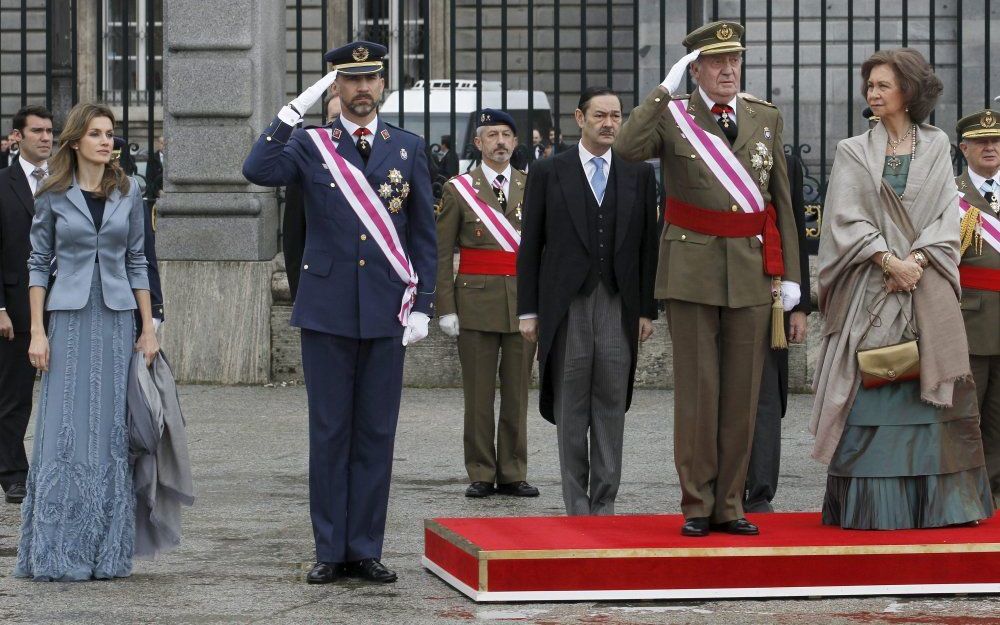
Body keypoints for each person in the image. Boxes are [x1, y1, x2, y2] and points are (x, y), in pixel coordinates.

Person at [242, 41, 436, 585]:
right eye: (350, 80)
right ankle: (330, 548)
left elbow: (421, 235)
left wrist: (422, 304)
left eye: (371, 78)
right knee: (329, 433)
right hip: (327, 311)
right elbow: (256, 168)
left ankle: (365, 548)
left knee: (376, 433)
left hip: (384, 310)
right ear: (335, 88)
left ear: (383, 85)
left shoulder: (407, 148)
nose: (362, 89)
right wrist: (290, 112)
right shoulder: (311, 146)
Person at [617, 21, 801, 537]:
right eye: (716, 62)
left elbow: (780, 202)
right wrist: (662, 90)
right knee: (698, 392)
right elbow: (627, 148)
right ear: (694, 68)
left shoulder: (764, 116)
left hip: (749, 266)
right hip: (691, 268)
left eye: (734, 60)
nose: (728, 69)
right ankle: (697, 503)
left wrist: (791, 280)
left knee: (743, 394)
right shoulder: (673, 116)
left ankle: (730, 502)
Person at [812, 48, 993, 529]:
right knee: (872, 390)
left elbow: (944, 217)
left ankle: (942, 508)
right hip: (871, 286)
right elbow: (843, 218)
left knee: (931, 398)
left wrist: (914, 261)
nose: (873, 93)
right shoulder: (853, 150)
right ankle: (873, 511)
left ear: (908, 92)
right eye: (869, 85)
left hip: (926, 283)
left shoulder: (937, 146)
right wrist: (885, 258)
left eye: (883, 85)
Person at [15, 102, 159, 580]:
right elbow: (37, 263)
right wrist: (37, 330)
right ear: (75, 142)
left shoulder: (129, 192)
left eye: (110, 133)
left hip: (117, 322)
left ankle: (107, 552)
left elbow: (138, 261)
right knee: (62, 432)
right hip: (68, 324)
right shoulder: (53, 194)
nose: (105, 141)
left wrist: (149, 327)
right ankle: (56, 552)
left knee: (109, 435)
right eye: (95, 133)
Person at [517, 87, 658, 516]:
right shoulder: (548, 171)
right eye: (600, 115)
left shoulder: (638, 174)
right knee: (571, 406)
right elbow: (531, 245)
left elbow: (649, 248)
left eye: (616, 116)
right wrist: (529, 311)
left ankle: (605, 505)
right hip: (568, 306)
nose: (609, 123)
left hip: (618, 304)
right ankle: (576, 504)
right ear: (580, 118)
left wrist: (648, 309)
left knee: (612, 405)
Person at [436, 109, 537, 499]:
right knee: (478, 395)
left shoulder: (533, 185)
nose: (500, 142)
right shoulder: (458, 188)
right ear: (478, 143)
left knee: (516, 393)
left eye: (506, 135)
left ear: (515, 143)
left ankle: (513, 471)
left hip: (522, 305)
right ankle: (480, 470)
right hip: (474, 304)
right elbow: (442, 253)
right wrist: (445, 307)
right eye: (491, 135)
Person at [743, 152, 812, 513]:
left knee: (766, 397)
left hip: (771, 294)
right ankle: (721, 487)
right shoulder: (698, 148)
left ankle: (759, 491)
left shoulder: (780, 160)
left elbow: (793, 229)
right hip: (717, 291)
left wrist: (800, 304)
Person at [0, 105, 53, 505]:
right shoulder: (3, 184)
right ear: (17, 136)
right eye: (36, 131)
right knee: (15, 396)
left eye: (50, 131)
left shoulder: (64, 182)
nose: (46, 138)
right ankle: (14, 474)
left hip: (63, 302)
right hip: (15, 305)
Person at [955, 109, 1000, 506]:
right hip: (972, 320)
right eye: (981, 141)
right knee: (969, 415)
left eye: (996, 141)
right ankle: (969, 492)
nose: (990, 147)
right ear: (963, 147)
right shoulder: (951, 194)